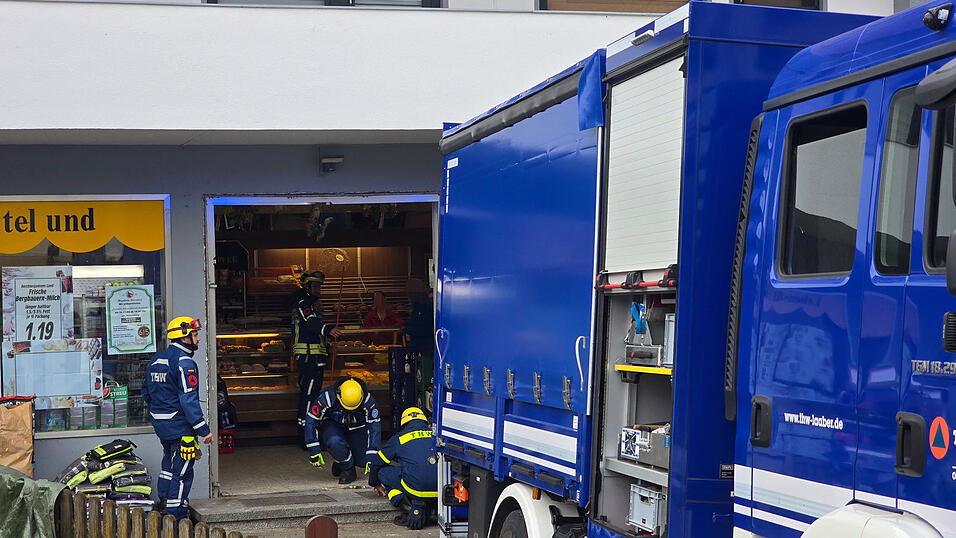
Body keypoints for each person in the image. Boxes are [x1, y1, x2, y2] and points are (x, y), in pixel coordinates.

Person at [142, 316, 213, 520]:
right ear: (184, 337)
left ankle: (164, 501)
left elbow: (146, 392)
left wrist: (160, 413)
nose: (198, 339)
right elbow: (188, 400)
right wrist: (203, 430)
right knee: (183, 472)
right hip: (181, 427)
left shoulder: (157, 359)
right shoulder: (185, 362)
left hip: (161, 424)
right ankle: (177, 514)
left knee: (169, 464)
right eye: (195, 334)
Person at [368, 407, 438, 530]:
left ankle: (407, 506)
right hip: (440, 489)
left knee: (383, 472)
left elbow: (376, 463)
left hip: (415, 491)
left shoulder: (399, 438)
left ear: (404, 424)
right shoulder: (436, 435)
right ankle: (432, 509)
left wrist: (375, 483)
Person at [292, 270, 342, 441]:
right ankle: (307, 435)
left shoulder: (312, 304)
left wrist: (327, 346)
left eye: (320, 286)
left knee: (312, 395)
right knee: (309, 396)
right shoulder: (303, 303)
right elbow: (311, 322)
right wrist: (328, 330)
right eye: (316, 286)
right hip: (309, 358)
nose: (319, 289)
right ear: (307, 286)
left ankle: (310, 432)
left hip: (315, 358)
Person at [305, 378, 381, 484]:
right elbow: (311, 421)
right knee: (334, 441)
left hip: (357, 426)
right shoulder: (327, 396)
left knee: (364, 460)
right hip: (333, 425)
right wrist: (314, 450)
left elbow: (374, 428)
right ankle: (347, 468)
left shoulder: (368, 400)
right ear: (339, 395)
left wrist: (373, 455)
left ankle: (340, 460)